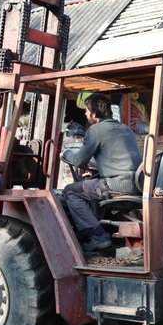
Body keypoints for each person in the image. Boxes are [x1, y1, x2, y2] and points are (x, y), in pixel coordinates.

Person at [61, 93, 142, 252]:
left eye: (86, 110)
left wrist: (66, 154)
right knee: (90, 183)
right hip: (137, 185)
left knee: (71, 191)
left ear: (95, 113)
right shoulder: (125, 129)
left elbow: (78, 161)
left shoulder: (96, 130)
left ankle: (98, 236)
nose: (85, 113)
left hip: (115, 186)